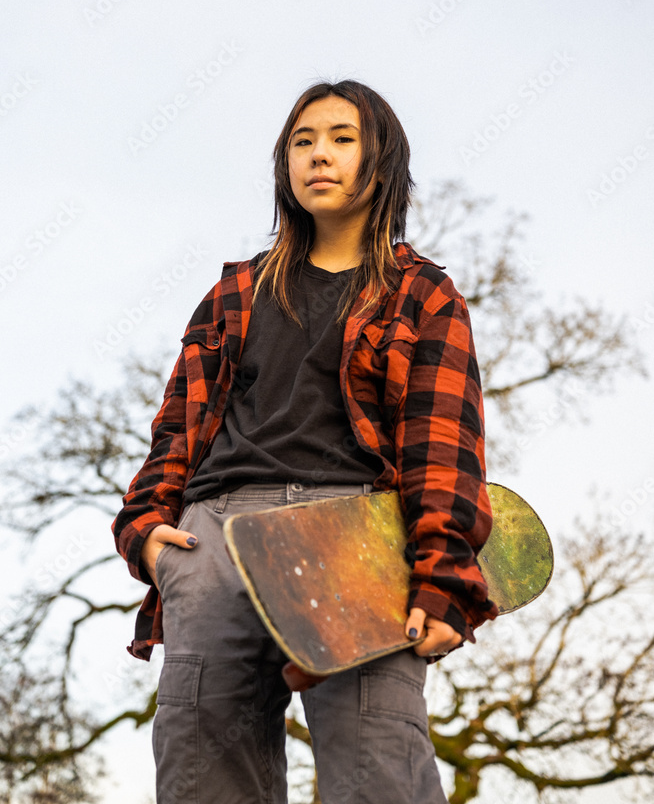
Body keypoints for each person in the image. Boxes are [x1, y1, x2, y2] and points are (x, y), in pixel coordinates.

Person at [111, 79, 498, 804]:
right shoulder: (235, 294)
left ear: (380, 162)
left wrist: (444, 580)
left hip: (354, 542)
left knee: (378, 768)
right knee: (203, 776)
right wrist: (147, 535)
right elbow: (176, 430)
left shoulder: (423, 295)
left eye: (341, 139)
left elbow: (443, 448)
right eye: (302, 141)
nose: (319, 154)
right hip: (215, 540)